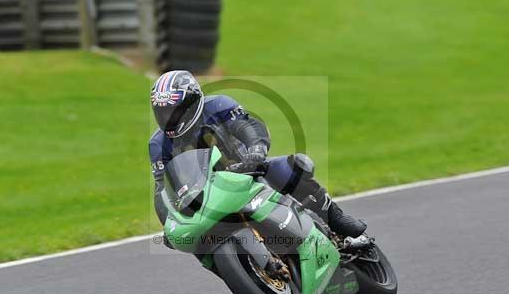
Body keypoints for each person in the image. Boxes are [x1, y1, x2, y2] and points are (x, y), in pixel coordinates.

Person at [148, 70, 367, 238]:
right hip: (207, 199)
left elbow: (247, 127)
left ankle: (337, 219)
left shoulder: (218, 106)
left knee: (291, 167)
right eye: (163, 111)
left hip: (248, 171)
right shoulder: (159, 144)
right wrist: (169, 223)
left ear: (193, 101)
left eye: (175, 110)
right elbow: (162, 191)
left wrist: (256, 149)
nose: (169, 117)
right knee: (192, 239)